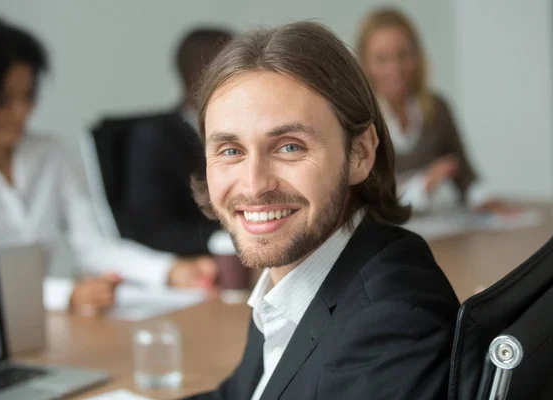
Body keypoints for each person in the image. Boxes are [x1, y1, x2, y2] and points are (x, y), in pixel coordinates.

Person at [182, 21, 459, 400]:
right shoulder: (292, 279)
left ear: (359, 154)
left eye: (289, 147)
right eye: (231, 151)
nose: (253, 184)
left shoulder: (389, 326)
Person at [0, 18, 217, 315]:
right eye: (1, 101)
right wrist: (66, 294)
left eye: (27, 96)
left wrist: (169, 270)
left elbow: (93, 246)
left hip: (45, 323)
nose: (20, 112)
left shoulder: (50, 154)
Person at [356, 8, 517, 214]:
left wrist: (485, 200)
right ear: (365, 65)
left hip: (434, 231)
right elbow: (366, 197)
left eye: (403, 55)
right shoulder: (359, 118)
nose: (394, 68)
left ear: (417, 56)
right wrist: (424, 184)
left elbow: (465, 175)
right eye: (382, 59)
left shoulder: (436, 109)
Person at [123, 27, 233, 256]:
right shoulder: (154, 138)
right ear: (200, 78)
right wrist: (226, 242)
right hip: (194, 267)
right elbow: (152, 229)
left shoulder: (250, 130)